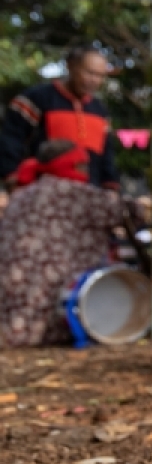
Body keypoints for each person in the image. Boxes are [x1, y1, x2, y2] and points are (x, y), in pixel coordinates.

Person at [0, 140, 129, 347]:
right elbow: (127, 212)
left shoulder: (20, 195)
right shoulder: (75, 193)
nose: (86, 171)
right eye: (81, 166)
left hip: (10, 316)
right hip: (49, 315)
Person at [0, 46, 119, 190]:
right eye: (89, 73)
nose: (94, 80)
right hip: (42, 193)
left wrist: (111, 187)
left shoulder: (100, 111)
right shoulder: (36, 99)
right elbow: (11, 140)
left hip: (89, 195)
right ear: (70, 66)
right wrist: (12, 177)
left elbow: (107, 156)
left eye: (100, 75)